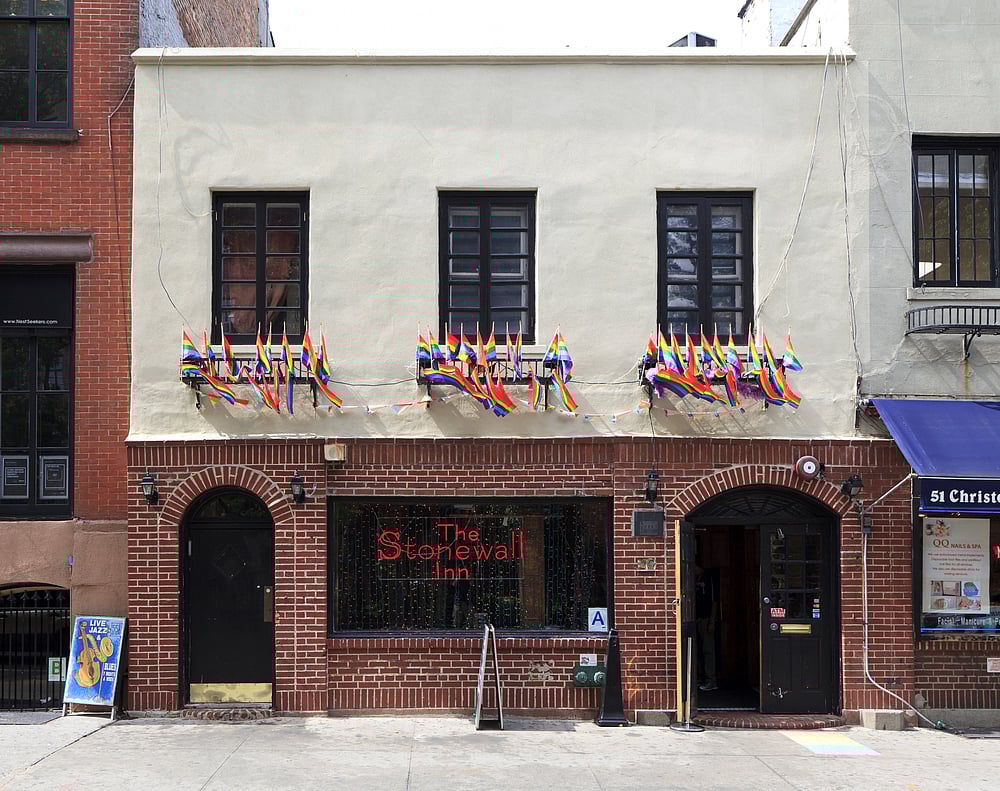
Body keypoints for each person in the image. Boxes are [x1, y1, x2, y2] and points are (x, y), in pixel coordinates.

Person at [695, 564, 719, 691]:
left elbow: (715, 601)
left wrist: (712, 621)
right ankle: (701, 678)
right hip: (695, 619)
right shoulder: (694, 579)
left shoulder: (709, 579)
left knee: (708, 650)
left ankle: (711, 680)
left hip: (706, 619)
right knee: (697, 650)